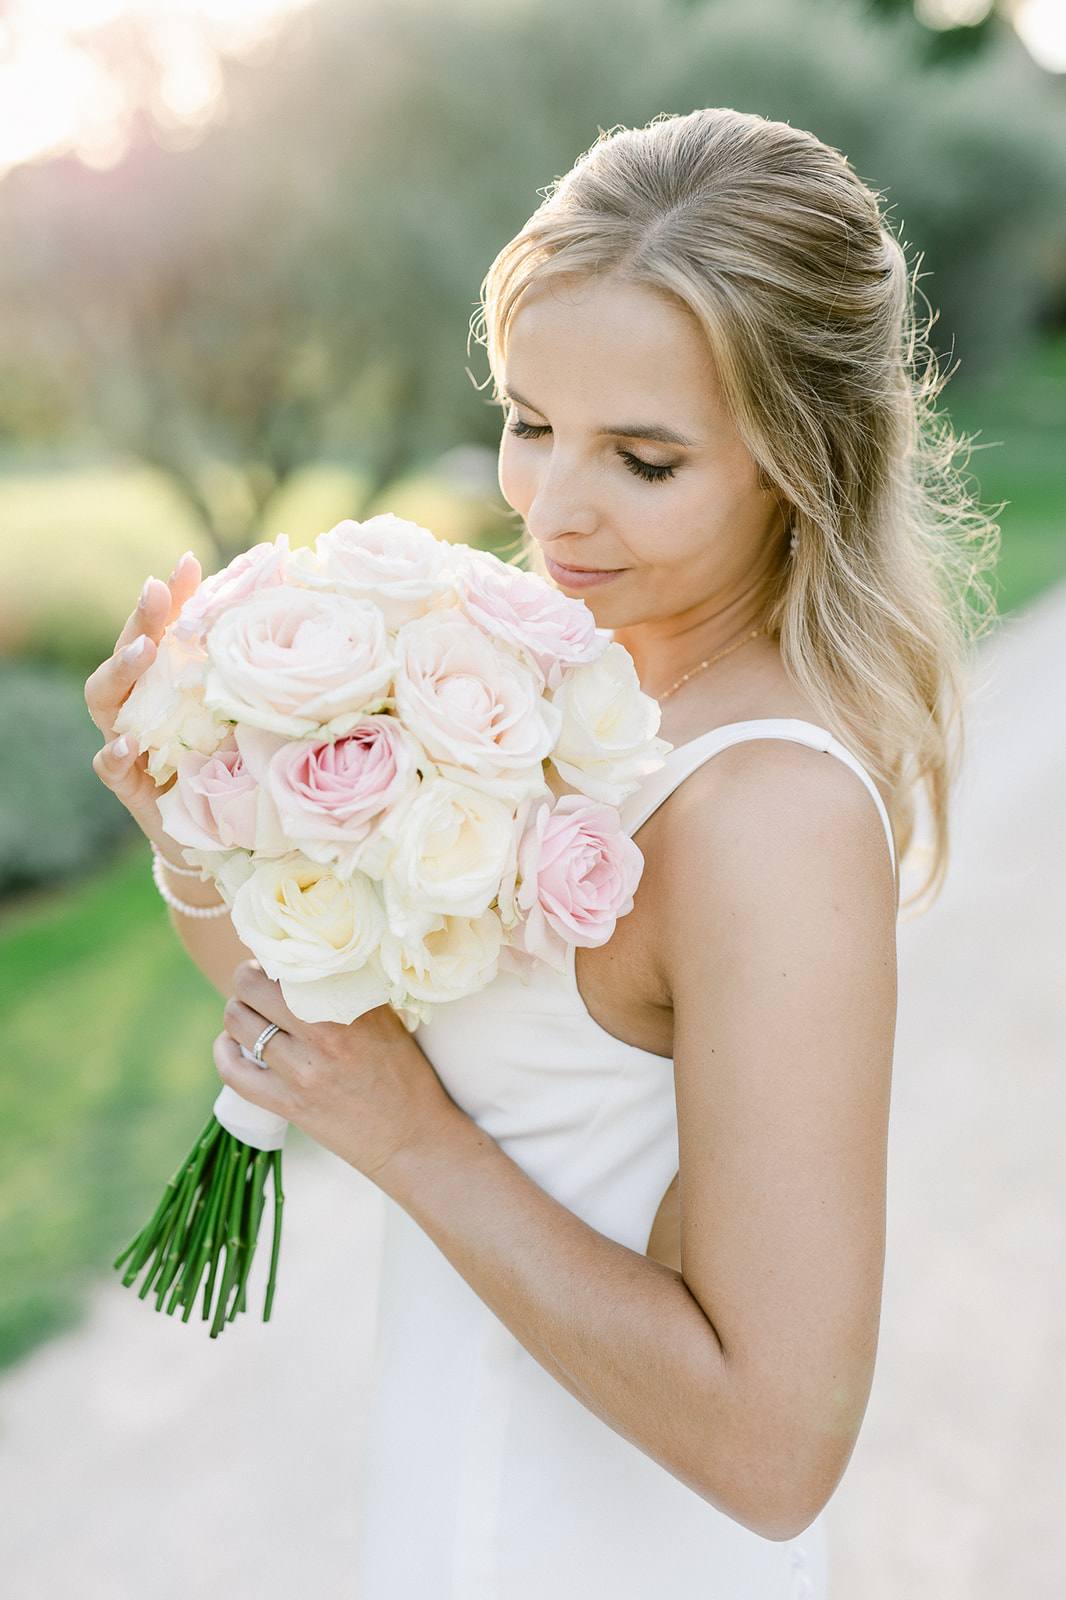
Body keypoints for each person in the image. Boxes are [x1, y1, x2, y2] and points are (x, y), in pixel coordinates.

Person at [86, 108, 992, 1597]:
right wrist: (191, 805)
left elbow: (775, 1454)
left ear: (798, 460)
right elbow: (337, 1024)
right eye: (527, 422)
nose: (549, 509)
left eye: (639, 458)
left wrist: (408, 1140)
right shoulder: (562, 687)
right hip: (453, 1509)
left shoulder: (768, 815)